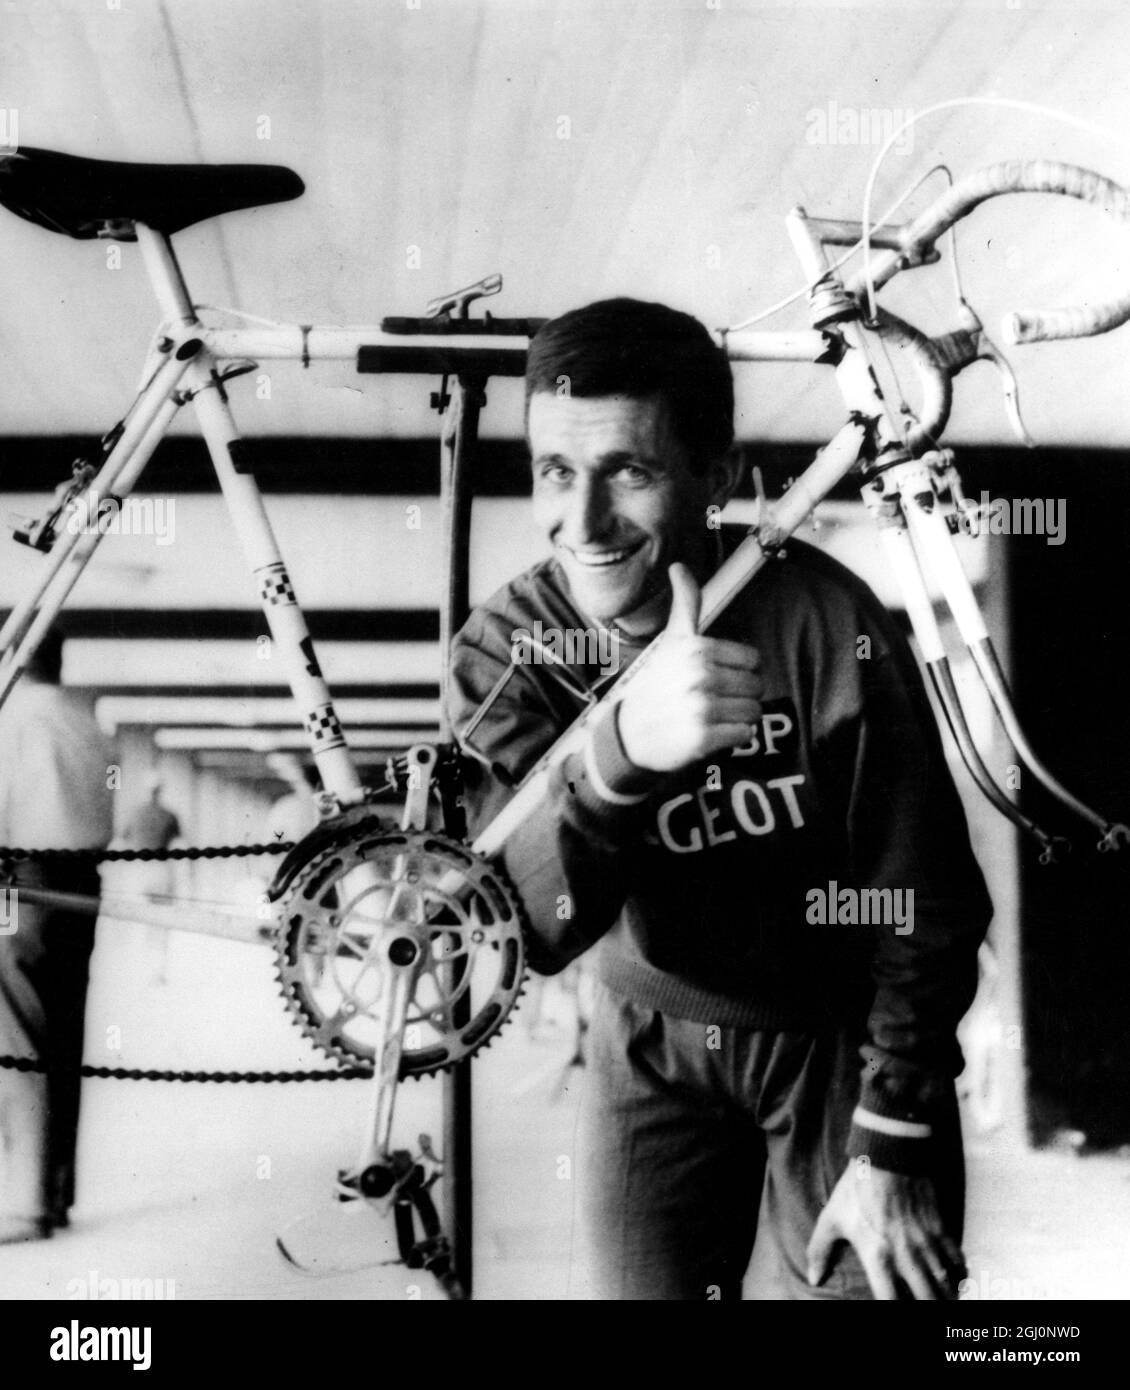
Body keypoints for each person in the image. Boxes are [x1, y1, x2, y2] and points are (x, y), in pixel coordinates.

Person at [447, 298, 994, 1300]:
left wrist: (892, 1140)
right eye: (555, 472)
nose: (582, 521)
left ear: (719, 477)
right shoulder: (505, 650)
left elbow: (923, 904)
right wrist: (618, 756)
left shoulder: (826, 623)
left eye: (631, 471)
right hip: (645, 1031)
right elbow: (524, 926)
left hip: (837, 1039)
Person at [0, 626, 115, 1243]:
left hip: (21, 884)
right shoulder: (89, 722)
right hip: (80, 885)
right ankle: (57, 1192)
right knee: (65, 1028)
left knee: (18, 1037)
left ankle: (23, 1204)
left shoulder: (10, 717)